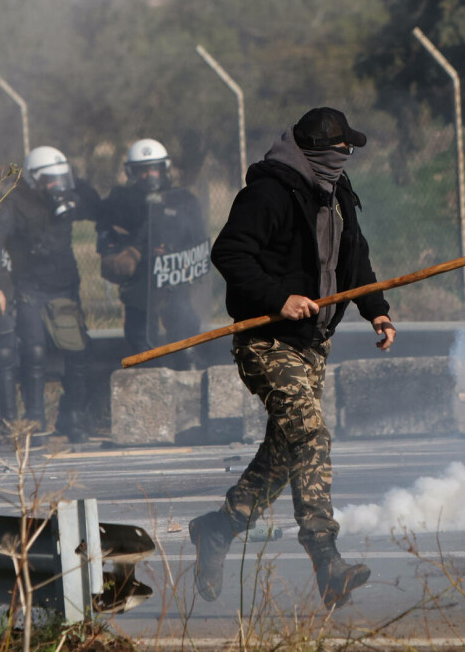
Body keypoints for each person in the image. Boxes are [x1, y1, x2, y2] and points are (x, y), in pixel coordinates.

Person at [190, 107, 397, 608]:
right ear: (315, 152)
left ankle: (218, 530)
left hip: (312, 344)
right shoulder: (269, 193)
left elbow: (356, 259)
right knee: (309, 432)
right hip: (266, 340)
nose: (344, 160)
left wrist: (377, 312)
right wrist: (279, 297)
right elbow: (229, 254)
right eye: (338, 151)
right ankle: (327, 559)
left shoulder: (338, 193)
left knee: (284, 455)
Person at [0, 145, 99, 446]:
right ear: (34, 179)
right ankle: (35, 420)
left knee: (77, 352)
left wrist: (79, 191)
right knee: (33, 352)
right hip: (30, 287)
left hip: (63, 287)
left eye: (62, 178)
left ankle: (73, 417)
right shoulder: (14, 203)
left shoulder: (68, 198)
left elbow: (95, 207)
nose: (57, 185)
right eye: (51, 179)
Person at [96, 139, 207, 368]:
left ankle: (189, 374)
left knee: (185, 332)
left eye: (154, 168)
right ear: (131, 172)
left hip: (175, 282)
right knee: (142, 344)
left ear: (164, 168)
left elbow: (199, 242)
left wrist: (173, 252)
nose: (150, 175)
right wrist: (138, 251)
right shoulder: (119, 202)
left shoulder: (183, 199)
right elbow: (109, 245)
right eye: (143, 170)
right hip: (139, 285)